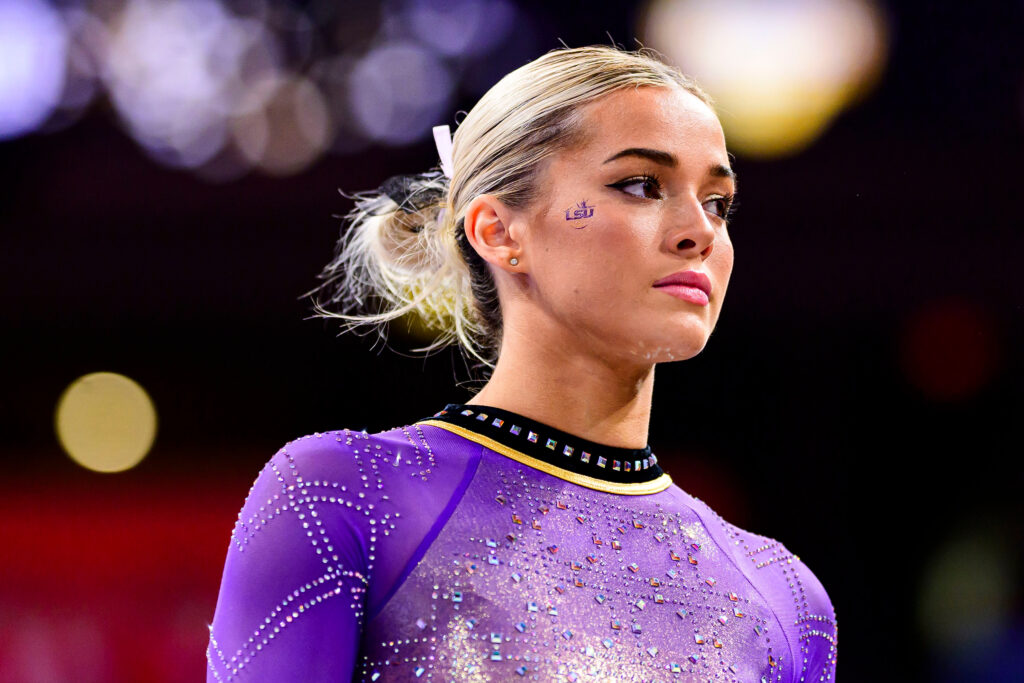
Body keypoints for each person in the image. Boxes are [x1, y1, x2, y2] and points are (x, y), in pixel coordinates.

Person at [205, 45, 838, 682]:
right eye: (642, 185)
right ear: (499, 231)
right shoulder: (347, 498)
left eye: (717, 202)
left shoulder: (784, 598)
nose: (698, 230)